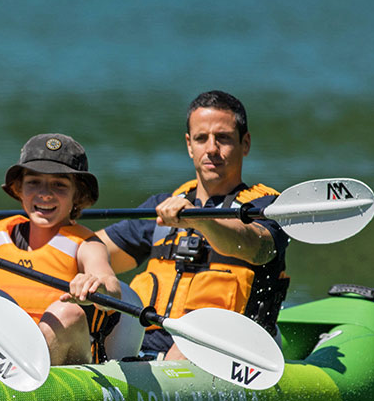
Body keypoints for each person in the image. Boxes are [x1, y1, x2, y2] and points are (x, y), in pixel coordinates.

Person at [98, 90, 289, 359]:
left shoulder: (266, 207)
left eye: (222, 138)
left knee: (191, 341)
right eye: (202, 138)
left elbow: (257, 248)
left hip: (228, 351)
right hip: (144, 347)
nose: (211, 148)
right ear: (189, 145)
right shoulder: (164, 206)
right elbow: (93, 250)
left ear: (245, 144)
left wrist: (200, 220)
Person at [0, 133, 134, 365]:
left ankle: (20, 378)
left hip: (64, 367)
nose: (45, 193)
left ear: (78, 195)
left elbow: (111, 286)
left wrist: (97, 286)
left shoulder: (87, 245)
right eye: (33, 182)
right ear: (18, 189)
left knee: (68, 313)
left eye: (59, 185)